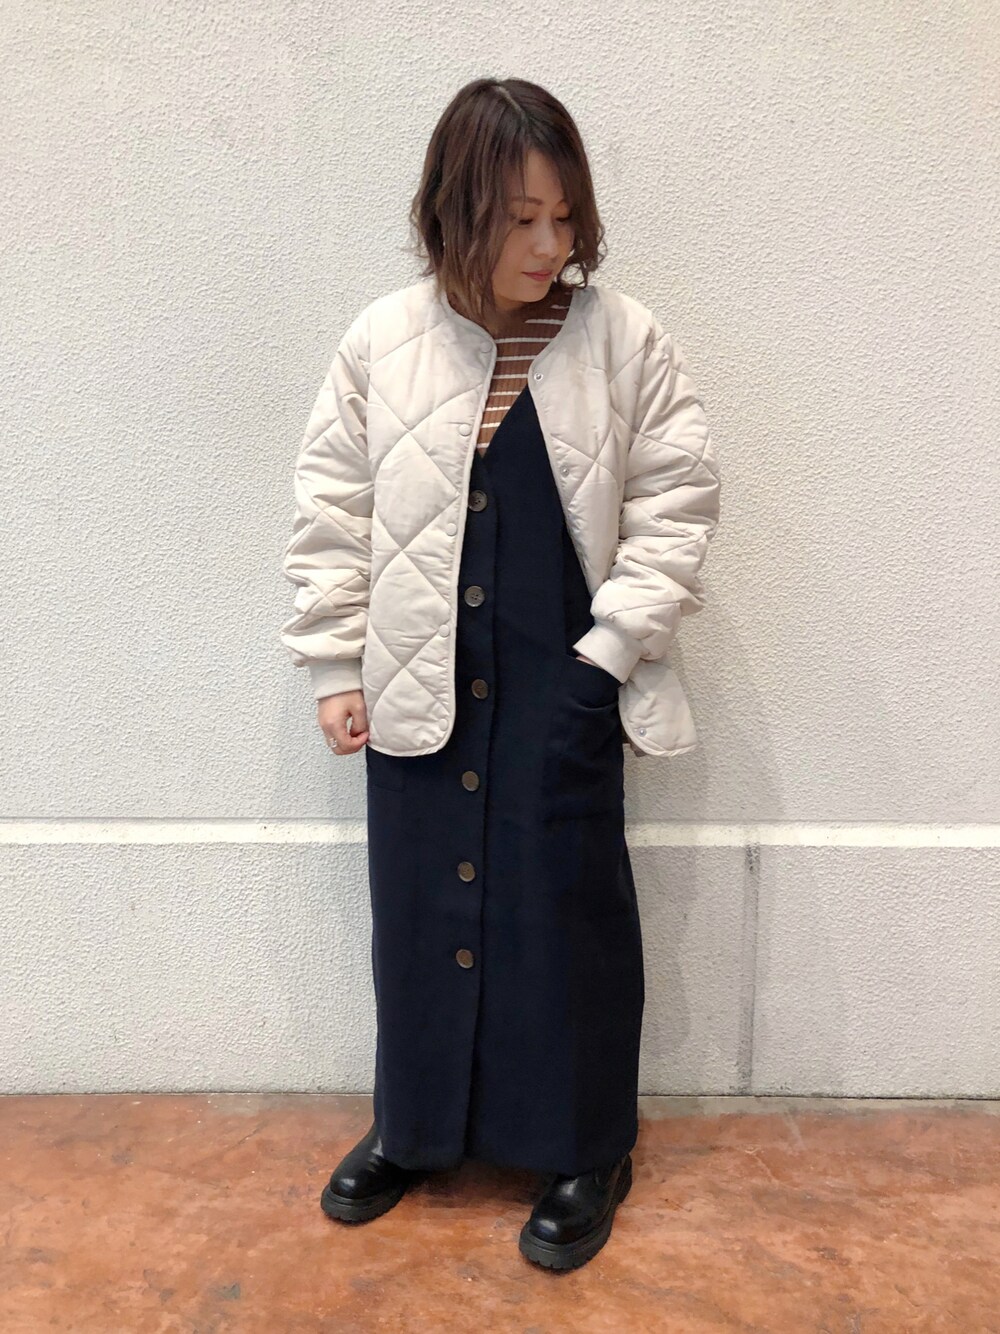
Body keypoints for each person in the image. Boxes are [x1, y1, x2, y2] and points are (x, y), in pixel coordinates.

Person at [279, 76, 721, 1271]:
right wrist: (334, 660)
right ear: (454, 208)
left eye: (564, 217)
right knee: (420, 912)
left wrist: (604, 659)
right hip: (417, 674)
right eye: (519, 217)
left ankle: (585, 1144)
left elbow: (676, 505)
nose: (546, 245)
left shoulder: (622, 340)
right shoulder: (383, 340)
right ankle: (414, 1129)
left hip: (558, 677)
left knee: (564, 915)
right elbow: (333, 510)